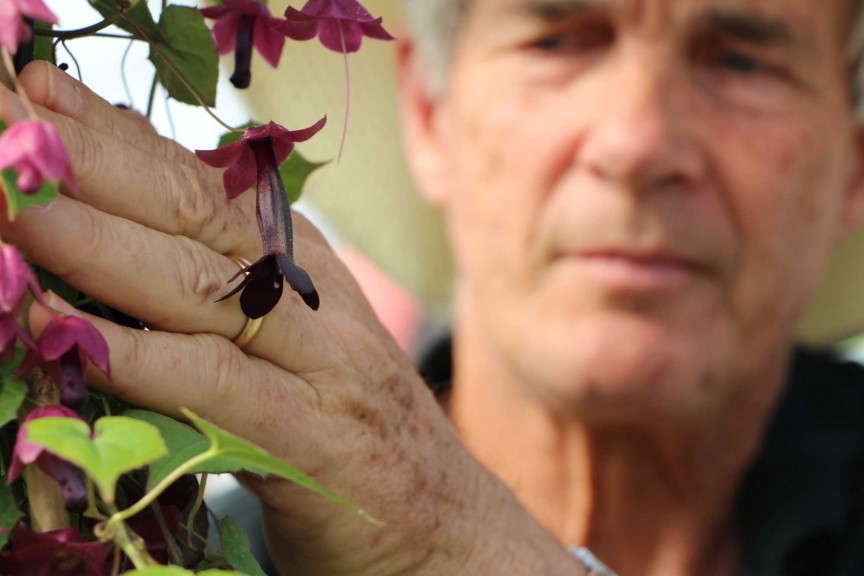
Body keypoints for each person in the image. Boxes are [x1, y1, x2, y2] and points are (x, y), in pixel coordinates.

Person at [2, 0, 864, 574]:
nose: (638, 143)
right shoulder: (188, 540)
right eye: (557, 39)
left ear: (854, 164)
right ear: (428, 112)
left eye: (744, 61)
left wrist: (450, 532)